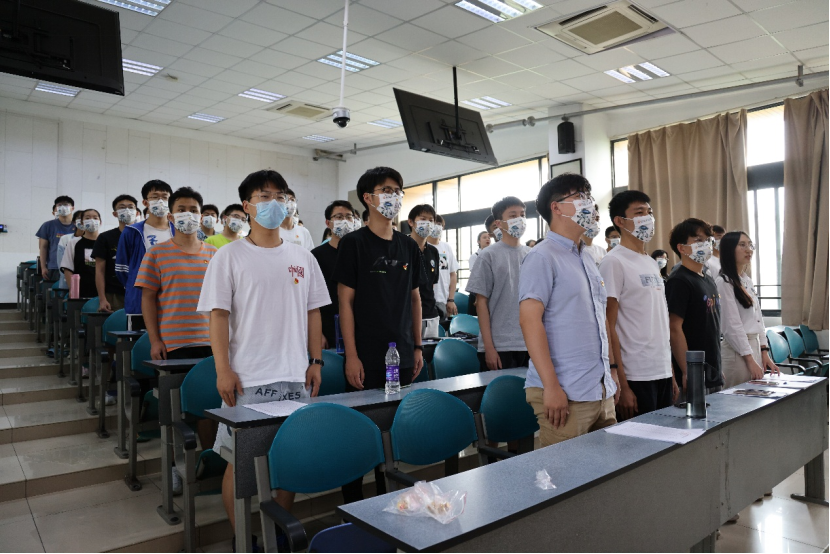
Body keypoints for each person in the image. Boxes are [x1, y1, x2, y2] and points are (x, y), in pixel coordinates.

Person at [198, 170, 328, 544]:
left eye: (280, 196)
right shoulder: (228, 256)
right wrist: (223, 369)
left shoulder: (302, 256)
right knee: (238, 464)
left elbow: (314, 312)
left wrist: (315, 361)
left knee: (289, 459)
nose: (275, 203)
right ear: (247, 205)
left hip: (294, 376)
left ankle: (278, 536)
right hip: (247, 379)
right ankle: (244, 540)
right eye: (265, 196)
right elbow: (218, 317)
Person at [336, 167, 425, 505]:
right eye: (386, 190)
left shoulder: (408, 245)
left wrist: (418, 347)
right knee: (358, 435)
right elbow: (345, 302)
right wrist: (351, 355)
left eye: (398, 190)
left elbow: (415, 299)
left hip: (401, 353)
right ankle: (355, 506)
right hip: (366, 354)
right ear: (368, 198)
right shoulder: (354, 243)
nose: (394, 196)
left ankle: (390, 502)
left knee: (392, 432)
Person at [519, 173, 618, 447]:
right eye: (579, 196)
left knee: (609, 469)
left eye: (589, 196)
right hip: (565, 392)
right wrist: (551, 386)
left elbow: (599, 320)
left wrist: (610, 375)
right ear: (557, 207)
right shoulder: (542, 256)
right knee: (564, 472)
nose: (589, 202)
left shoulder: (587, 256)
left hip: (599, 390)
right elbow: (529, 321)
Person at [135, 186, 218, 494]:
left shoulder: (215, 254)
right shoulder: (157, 253)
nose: (188, 214)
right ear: (171, 216)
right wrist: (155, 339)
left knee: (211, 408)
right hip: (173, 345)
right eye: (181, 209)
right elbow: (147, 298)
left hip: (211, 344)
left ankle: (211, 462)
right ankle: (173, 467)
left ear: (202, 215)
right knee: (175, 412)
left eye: (194, 209)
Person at [600, 191, 677, 420]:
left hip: (661, 370)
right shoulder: (613, 261)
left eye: (649, 212)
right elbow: (608, 325)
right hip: (635, 374)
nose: (648, 218)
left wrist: (671, 373)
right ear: (620, 221)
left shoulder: (651, 263)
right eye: (639, 212)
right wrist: (622, 384)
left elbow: (659, 322)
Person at [467, 196, 531, 371]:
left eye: (522, 215)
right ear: (499, 223)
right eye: (513, 215)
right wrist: (488, 347)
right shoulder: (488, 255)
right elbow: (481, 303)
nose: (519, 219)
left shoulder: (532, 254)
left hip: (528, 342)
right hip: (499, 345)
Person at [666, 218, 723, 395]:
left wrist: (717, 368)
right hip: (693, 371)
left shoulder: (708, 279)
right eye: (699, 240)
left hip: (712, 368)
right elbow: (674, 328)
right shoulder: (679, 280)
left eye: (708, 240)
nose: (706, 244)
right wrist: (687, 369)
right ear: (682, 248)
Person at [716, 231, 778, 388]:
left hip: (752, 347)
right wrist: (750, 360)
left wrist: (764, 351)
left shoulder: (746, 280)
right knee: (738, 398)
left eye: (750, 245)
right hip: (737, 352)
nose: (748, 250)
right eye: (742, 245)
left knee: (756, 396)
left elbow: (758, 319)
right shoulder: (724, 282)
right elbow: (732, 326)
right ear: (729, 249)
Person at [115, 180, 176, 317]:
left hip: (172, 299)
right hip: (139, 300)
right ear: (145, 202)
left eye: (165, 197)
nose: (160, 201)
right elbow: (122, 270)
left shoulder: (178, 231)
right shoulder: (132, 232)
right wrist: (136, 285)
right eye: (155, 197)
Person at [312, 200, 357, 349]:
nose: (345, 220)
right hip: (329, 327)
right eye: (339, 217)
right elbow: (310, 298)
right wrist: (318, 333)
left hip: (359, 327)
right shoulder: (316, 256)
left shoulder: (361, 253)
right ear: (328, 223)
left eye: (349, 217)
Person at [93, 195, 138, 312]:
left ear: (137, 212)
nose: (127, 210)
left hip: (140, 292)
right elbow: (100, 270)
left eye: (131, 207)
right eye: (122, 207)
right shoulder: (105, 237)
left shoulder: (143, 235)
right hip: (114, 294)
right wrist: (102, 299)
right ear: (115, 214)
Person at [408, 205, 441, 339]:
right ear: (411, 222)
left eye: (431, 220)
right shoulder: (403, 247)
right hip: (408, 315)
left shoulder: (433, 251)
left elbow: (432, 283)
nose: (427, 223)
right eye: (423, 219)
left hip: (430, 315)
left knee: (430, 351)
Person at [60, 209, 102, 299]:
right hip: (81, 291)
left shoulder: (105, 242)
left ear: (100, 222)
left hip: (104, 292)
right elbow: (68, 268)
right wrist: (73, 290)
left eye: (95, 218)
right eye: (87, 218)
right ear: (82, 223)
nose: (92, 220)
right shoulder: (73, 243)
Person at [427, 214, 459, 321]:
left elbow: (453, 275)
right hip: (426, 300)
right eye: (433, 223)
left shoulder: (446, 247)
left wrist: (451, 299)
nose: (436, 226)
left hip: (443, 300)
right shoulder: (422, 246)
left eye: (439, 224)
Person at [37, 196, 76, 281]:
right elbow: (43, 247)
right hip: (54, 267)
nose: (63, 207)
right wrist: (43, 267)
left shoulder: (78, 226)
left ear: (72, 208)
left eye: (66, 204)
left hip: (74, 267)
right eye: (60, 205)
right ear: (56, 208)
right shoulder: (47, 225)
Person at [55, 211, 85, 289]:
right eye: (79, 218)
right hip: (67, 282)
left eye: (85, 218)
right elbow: (61, 263)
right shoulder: (65, 239)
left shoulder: (97, 240)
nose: (82, 221)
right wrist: (69, 281)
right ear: (74, 222)